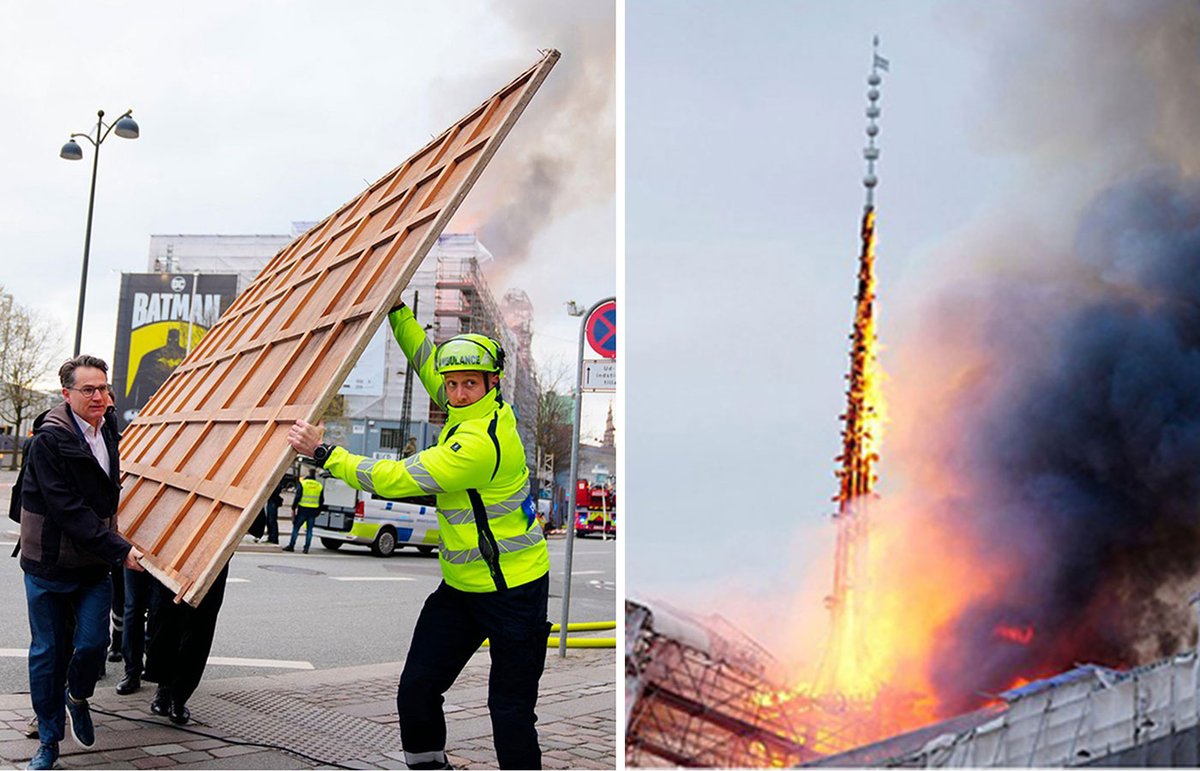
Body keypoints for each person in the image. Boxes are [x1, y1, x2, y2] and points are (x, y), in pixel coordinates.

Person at [287, 303, 550, 770]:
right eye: (452, 384)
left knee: (509, 711)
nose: (458, 392)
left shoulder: (480, 443)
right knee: (417, 688)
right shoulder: (461, 406)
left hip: (515, 590)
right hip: (462, 589)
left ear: (493, 383)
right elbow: (425, 357)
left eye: (470, 383)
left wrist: (326, 453)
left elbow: (393, 478)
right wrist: (397, 308)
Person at [17, 355, 144, 770]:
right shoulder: (47, 440)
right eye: (88, 389)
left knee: (93, 644)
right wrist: (120, 549)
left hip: (91, 563)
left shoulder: (108, 430)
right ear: (66, 394)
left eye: (104, 388)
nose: (99, 396)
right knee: (48, 653)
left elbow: (106, 497)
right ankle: (49, 742)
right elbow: (67, 508)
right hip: (49, 564)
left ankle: (77, 695)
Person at [143, 561, 230, 724]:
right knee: (166, 620)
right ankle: (164, 687)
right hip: (176, 558)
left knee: (200, 629)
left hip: (214, 561)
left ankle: (180, 697)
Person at [283, 469, 323, 553]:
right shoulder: (319, 485)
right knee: (309, 530)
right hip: (313, 510)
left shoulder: (303, 484)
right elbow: (321, 500)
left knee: (296, 528)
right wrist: (318, 510)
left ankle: (291, 545)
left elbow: (298, 496)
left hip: (303, 509)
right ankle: (306, 548)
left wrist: (293, 507)